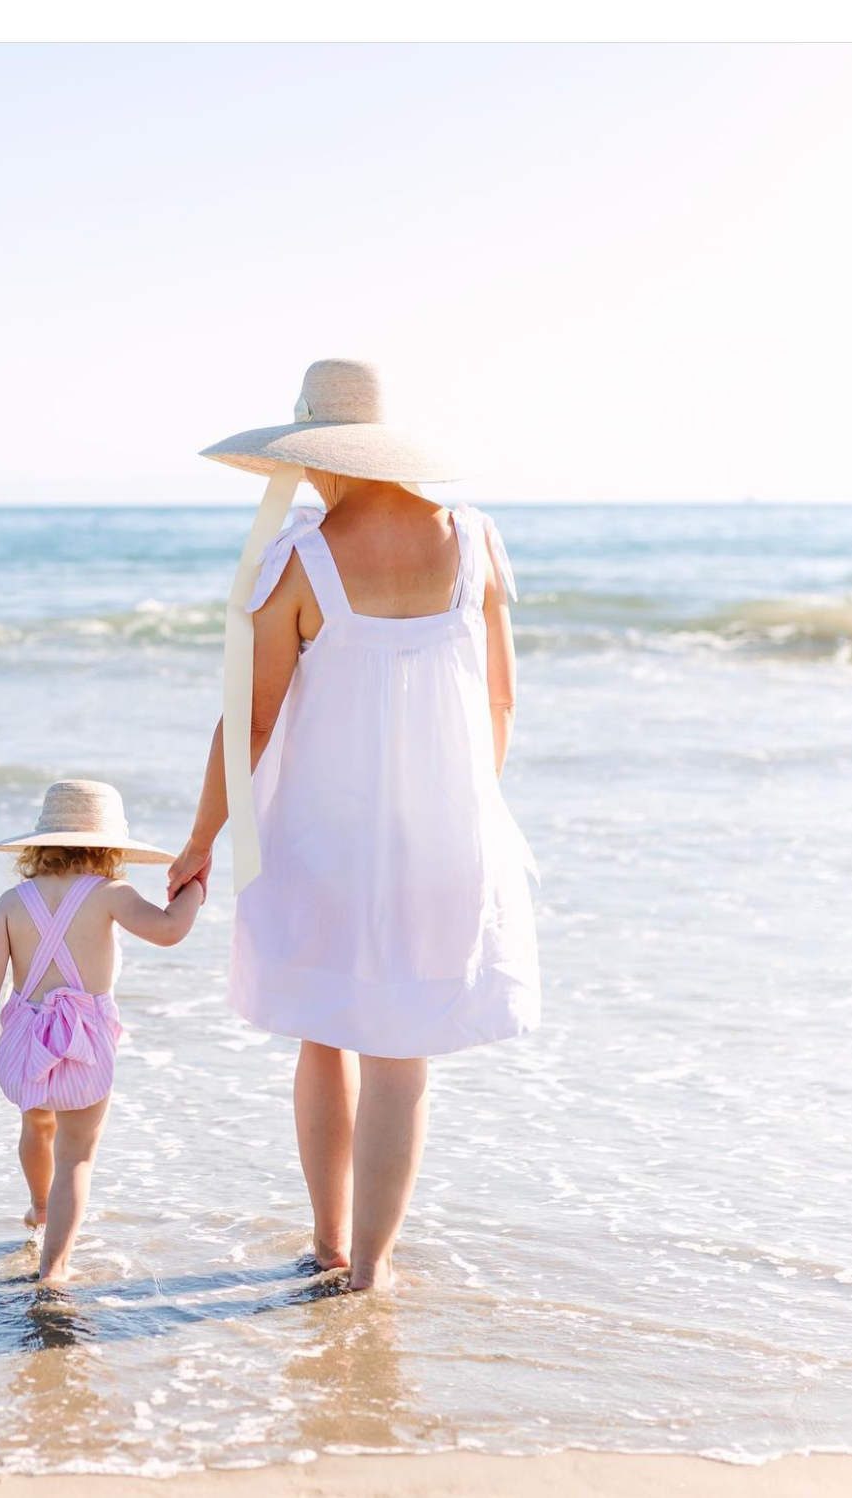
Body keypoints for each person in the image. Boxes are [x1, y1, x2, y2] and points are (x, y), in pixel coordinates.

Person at [168, 358, 540, 1292]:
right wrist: (460, 812)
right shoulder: (478, 541)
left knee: (324, 1034)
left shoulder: (301, 557)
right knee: (401, 1055)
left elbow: (248, 722)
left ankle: (329, 1242)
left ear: (309, 450)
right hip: (447, 842)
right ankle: (372, 1270)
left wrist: (201, 838)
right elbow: (501, 700)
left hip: (323, 843)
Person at [0, 779, 208, 1282]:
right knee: (76, 1154)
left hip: (27, 1035)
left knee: (37, 1126)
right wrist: (196, 889)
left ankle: (40, 1208)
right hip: (83, 1040)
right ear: (111, 847)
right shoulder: (111, 894)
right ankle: (53, 1270)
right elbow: (168, 930)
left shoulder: (12, 901)